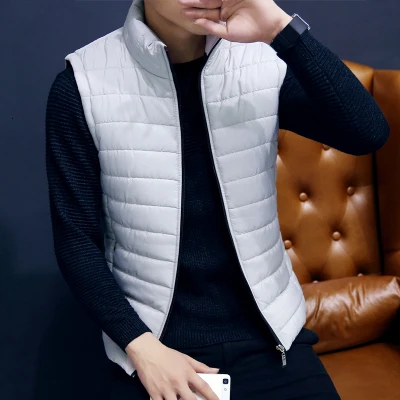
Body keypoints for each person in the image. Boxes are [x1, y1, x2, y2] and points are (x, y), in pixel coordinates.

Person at [45, 0, 389, 399]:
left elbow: (367, 132)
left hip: (273, 338)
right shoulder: (84, 82)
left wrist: (280, 28)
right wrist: (141, 346)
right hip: (159, 346)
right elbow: (76, 240)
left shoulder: (259, 62)